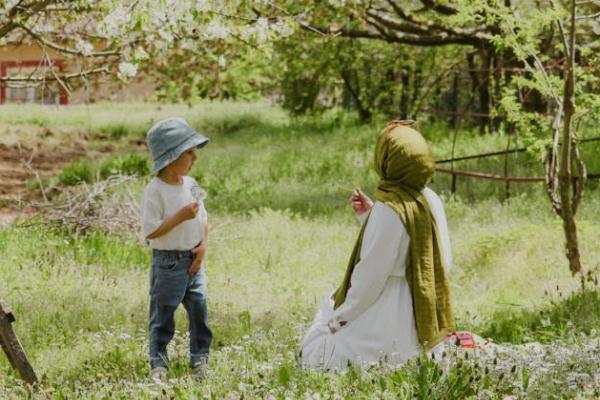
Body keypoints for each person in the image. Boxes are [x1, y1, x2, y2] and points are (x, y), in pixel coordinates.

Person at [301, 120, 455, 371]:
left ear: (387, 160)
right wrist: (369, 216)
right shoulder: (430, 199)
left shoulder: (390, 209)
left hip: (386, 315)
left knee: (316, 351)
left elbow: (369, 280)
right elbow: (435, 257)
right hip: (421, 314)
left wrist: (340, 319)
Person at [141, 118, 213, 382]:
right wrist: (180, 217)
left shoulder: (191, 184)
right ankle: (158, 363)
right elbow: (151, 230)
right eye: (188, 152)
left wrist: (203, 246)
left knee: (199, 312)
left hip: (195, 259)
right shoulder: (155, 191)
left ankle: (200, 359)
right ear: (170, 157)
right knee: (163, 314)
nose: (194, 157)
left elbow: (203, 217)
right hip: (168, 262)